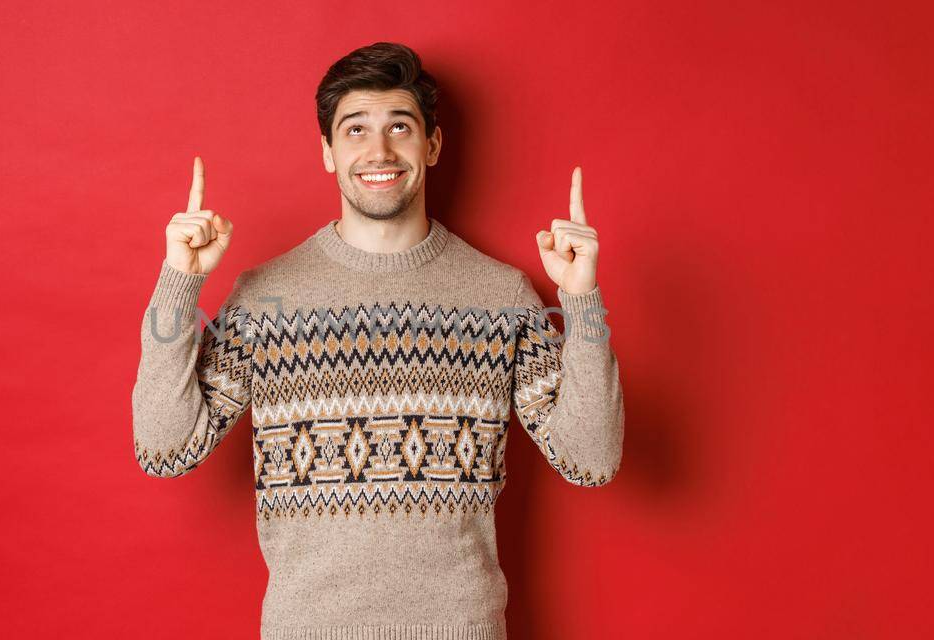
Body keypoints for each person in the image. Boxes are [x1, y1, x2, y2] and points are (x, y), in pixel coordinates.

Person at [131, 41, 624, 640]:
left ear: (432, 145)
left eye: (400, 126)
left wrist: (582, 301)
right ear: (328, 154)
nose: (378, 149)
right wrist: (178, 283)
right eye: (355, 129)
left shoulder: (503, 296)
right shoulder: (266, 296)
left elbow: (593, 461)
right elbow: (164, 448)